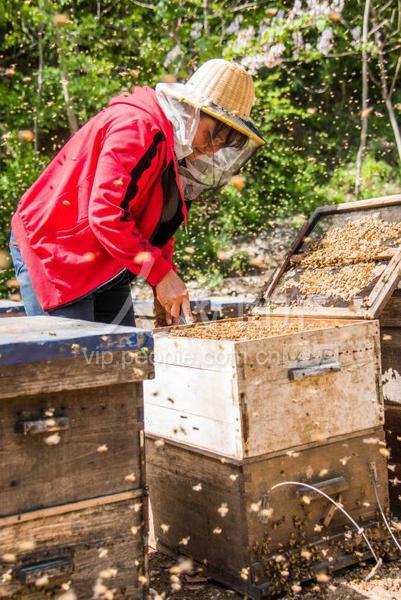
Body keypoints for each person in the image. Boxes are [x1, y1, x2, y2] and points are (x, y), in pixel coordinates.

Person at [9, 59, 264, 327]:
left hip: (105, 256)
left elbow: (157, 223)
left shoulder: (172, 145)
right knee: (74, 363)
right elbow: (106, 214)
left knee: (123, 359)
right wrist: (160, 275)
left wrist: (163, 278)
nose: (213, 149)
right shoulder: (137, 127)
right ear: (192, 112)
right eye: (213, 136)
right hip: (57, 251)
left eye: (222, 144)